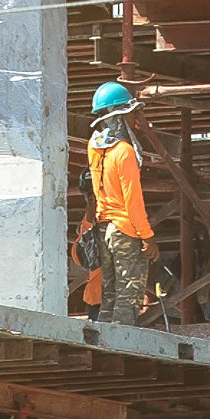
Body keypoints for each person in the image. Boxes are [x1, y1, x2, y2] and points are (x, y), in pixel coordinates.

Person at [85, 82, 159, 325]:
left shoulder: (94, 147)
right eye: (131, 112)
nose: (135, 117)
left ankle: (104, 338)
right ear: (120, 114)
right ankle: (120, 343)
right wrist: (147, 236)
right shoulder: (124, 151)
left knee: (110, 294)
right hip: (125, 230)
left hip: (103, 228)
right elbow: (133, 201)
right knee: (129, 296)